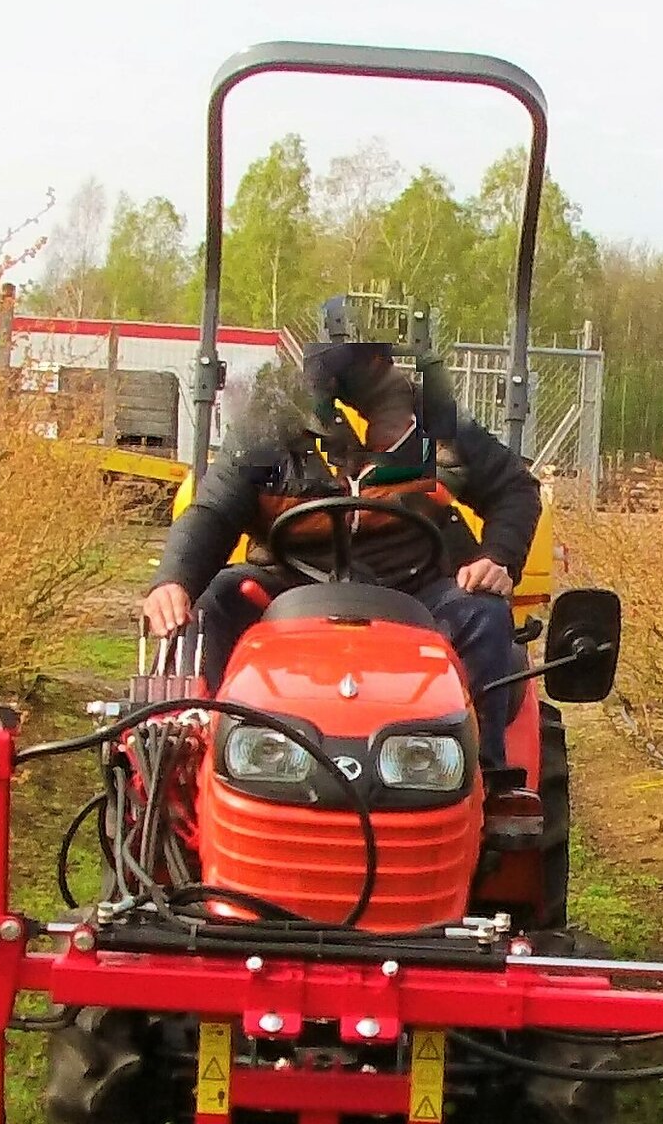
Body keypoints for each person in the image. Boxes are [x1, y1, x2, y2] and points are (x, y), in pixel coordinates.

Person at [142, 332, 542, 794]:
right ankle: (202, 767)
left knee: (485, 614)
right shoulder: (270, 430)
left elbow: (515, 489)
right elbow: (213, 510)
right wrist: (174, 579)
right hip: (290, 590)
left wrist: (499, 558)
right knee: (213, 604)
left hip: (414, 592)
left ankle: (484, 785)